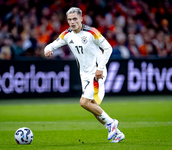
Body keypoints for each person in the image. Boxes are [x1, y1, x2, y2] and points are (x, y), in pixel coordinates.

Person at [44, 7, 125, 143]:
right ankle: (117, 134)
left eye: (75, 19)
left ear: (81, 18)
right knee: (93, 106)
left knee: (84, 102)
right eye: (69, 19)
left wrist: (100, 68)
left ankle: (111, 123)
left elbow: (108, 48)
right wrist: (47, 50)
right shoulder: (67, 34)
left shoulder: (91, 32)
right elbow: (51, 46)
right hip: (84, 76)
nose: (72, 22)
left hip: (96, 73)